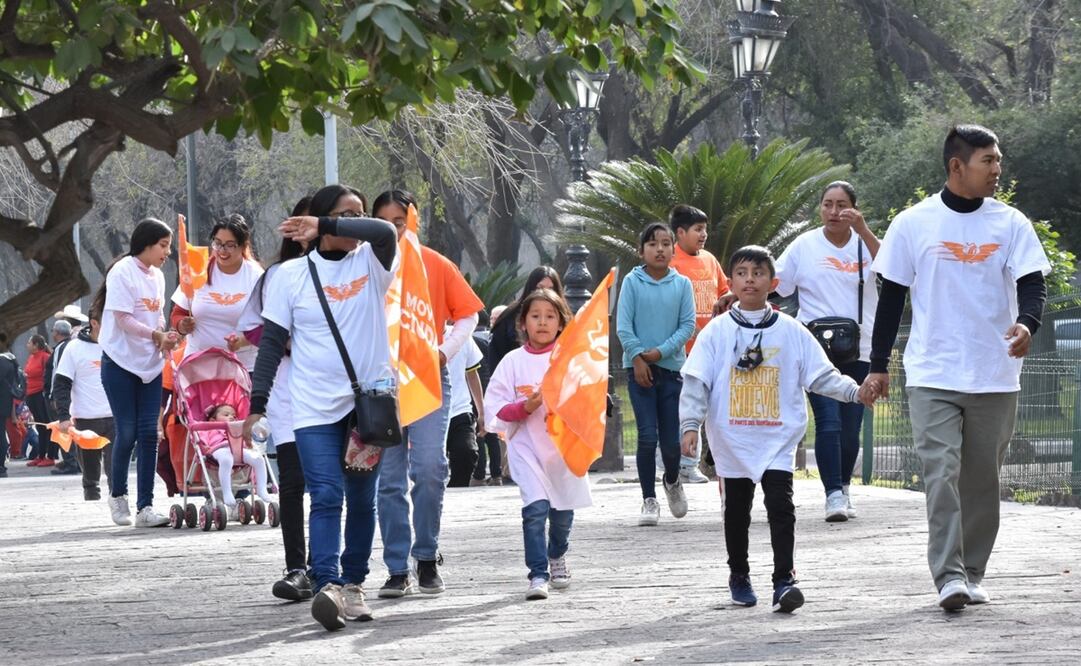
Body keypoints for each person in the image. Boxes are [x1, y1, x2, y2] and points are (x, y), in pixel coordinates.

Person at [861, 124, 1050, 611]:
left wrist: (1027, 323)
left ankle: (973, 570)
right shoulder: (913, 223)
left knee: (982, 479)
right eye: (989, 160)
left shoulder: (1010, 222)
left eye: (998, 159)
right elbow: (891, 300)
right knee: (941, 471)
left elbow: (1032, 283)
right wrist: (879, 365)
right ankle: (948, 575)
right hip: (933, 373)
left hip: (995, 373)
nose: (997, 168)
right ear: (956, 165)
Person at [679, 245, 873, 613]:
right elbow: (696, 381)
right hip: (732, 440)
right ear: (731, 282)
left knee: (781, 507)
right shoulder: (716, 332)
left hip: (778, 439)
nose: (750, 280)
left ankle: (784, 580)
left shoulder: (792, 331)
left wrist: (854, 392)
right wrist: (691, 425)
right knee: (736, 511)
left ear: (773, 282)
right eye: (742, 273)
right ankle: (739, 575)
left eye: (758, 273)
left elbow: (821, 375)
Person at [247, 184, 397, 631]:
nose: (356, 221)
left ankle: (354, 584)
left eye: (359, 213)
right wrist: (257, 404)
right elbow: (271, 344)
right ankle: (328, 584)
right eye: (345, 214)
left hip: (368, 407)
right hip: (312, 407)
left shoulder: (372, 262)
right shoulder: (289, 276)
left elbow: (386, 231)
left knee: (362, 498)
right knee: (326, 494)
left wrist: (328, 223)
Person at [371, 190, 484, 599]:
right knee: (389, 479)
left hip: (427, 380)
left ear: (412, 222)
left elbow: (468, 314)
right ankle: (396, 568)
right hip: (380, 386)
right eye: (382, 223)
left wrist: (444, 350)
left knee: (431, 468)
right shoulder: (363, 266)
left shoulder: (434, 263)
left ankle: (426, 555)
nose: (392, 230)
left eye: (399, 222)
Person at [773, 181, 880, 522]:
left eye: (842, 205)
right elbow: (776, 283)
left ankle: (844, 487)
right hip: (815, 349)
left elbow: (894, 269)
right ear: (820, 208)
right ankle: (833, 493)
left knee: (850, 425)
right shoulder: (803, 246)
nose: (834, 212)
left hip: (861, 348)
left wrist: (864, 230)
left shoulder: (865, 244)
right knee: (828, 422)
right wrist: (738, 291)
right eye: (827, 204)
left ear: (854, 208)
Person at [483, 288, 592, 600]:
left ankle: (557, 553)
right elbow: (496, 407)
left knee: (562, 514)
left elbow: (589, 398)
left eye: (550, 316)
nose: (542, 322)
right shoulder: (512, 362)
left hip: (563, 451)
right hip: (526, 449)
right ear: (523, 323)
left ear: (561, 323)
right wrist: (525, 407)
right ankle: (538, 573)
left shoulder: (571, 360)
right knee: (535, 510)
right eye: (535, 316)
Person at [238, 195, 313, 602]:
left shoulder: (353, 273)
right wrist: (286, 343)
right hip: (288, 390)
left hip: (335, 392)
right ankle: (297, 567)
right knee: (293, 479)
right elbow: (255, 327)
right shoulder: (278, 275)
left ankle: (330, 565)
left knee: (331, 484)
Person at [97, 217, 181, 528]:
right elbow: (122, 319)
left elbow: (156, 315)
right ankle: (118, 495)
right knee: (128, 431)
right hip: (120, 362)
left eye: (168, 246)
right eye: (163, 245)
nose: (167, 252)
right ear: (146, 244)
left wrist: (165, 335)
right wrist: (154, 335)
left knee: (149, 433)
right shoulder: (122, 271)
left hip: (150, 364)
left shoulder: (157, 275)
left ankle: (146, 506)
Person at [616, 222, 695, 526]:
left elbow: (687, 326)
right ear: (641, 251)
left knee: (671, 443)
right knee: (647, 436)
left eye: (665, 243)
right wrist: (638, 358)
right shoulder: (632, 282)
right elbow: (623, 326)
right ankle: (649, 499)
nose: (659, 249)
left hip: (672, 372)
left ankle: (672, 480)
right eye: (652, 244)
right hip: (639, 372)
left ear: (674, 248)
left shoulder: (682, 284)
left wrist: (661, 352)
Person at [668, 204, 729, 485]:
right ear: (680, 232)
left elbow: (725, 291)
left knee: (705, 409)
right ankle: (681, 465)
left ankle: (694, 464)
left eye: (705, 229)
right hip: (681, 351)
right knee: (685, 408)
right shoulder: (671, 263)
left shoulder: (710, 260)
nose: (703, 234)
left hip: (711, 349)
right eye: (698, 229)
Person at [171, 214, 264, 370]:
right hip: (198, 365)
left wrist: (242, 341)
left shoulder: (256, 276)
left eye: (230, 245)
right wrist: (182, 324)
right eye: (218, 243)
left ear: (243, 246)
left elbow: (267, 326)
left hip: (243, 368)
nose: (222, 250)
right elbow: (178, 313)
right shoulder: (198, 270)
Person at [52, 301, 114, 500]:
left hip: (116, 417)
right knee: (90, 470)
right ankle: (91, 498)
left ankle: (118, 500)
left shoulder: (118, 345)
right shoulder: (74, 348)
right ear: (94, 323)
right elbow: (61, 384)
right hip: (86, 418)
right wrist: (64, 416)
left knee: (116, 467)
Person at [488, 266, 564, 373]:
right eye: (540, 288)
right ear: (522, 323)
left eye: (551, 289)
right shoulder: (508, 319)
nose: (542, 323)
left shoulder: (565, 319)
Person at [202, 404, 271, 509]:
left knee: (258, 459)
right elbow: (201, 438)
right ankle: (227, 492)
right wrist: (204, 446)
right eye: (226, 415)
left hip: (238, 449)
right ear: (212, 420)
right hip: (219, 449)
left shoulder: (238, 427)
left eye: (234, 416)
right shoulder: (209, 428)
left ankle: (261, 489)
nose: (231, 417)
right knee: (227, 459)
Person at [444, 323, 485, 487]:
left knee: (466, 453)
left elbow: (472, 374)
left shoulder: (462, 336)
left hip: (459, 409)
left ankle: (456, 489)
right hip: (428, 412)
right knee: (430, 466)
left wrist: (482, 412)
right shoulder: (417, 333)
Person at [471, 308, 505, 486]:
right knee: (491, 434)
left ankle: (479, 474)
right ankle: (496, 474)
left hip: (474, 391)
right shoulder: (489, 340)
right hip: (490, 388)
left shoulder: (470, 341)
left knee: (479, 432)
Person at [45, 319, 81, 475]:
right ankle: (74, 461)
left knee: (63, 429)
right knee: (71, 430)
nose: (52, 333)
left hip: (61, 396)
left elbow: (57, 374)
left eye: (53, 330)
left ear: (57, 332)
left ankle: (70, 462)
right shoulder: (72, 346)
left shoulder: (61, 348)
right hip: (70, 395)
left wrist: (54, 396)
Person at [23, 335, 55, 468]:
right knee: (40, 427)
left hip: (40, 395)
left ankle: (50, 456)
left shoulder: (45, 357)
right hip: (31, 394)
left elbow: (49, 376)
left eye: (29, 342)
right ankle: (41, 455)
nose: (27, 345)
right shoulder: (31, 357)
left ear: (36, 345)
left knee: (47, 425)